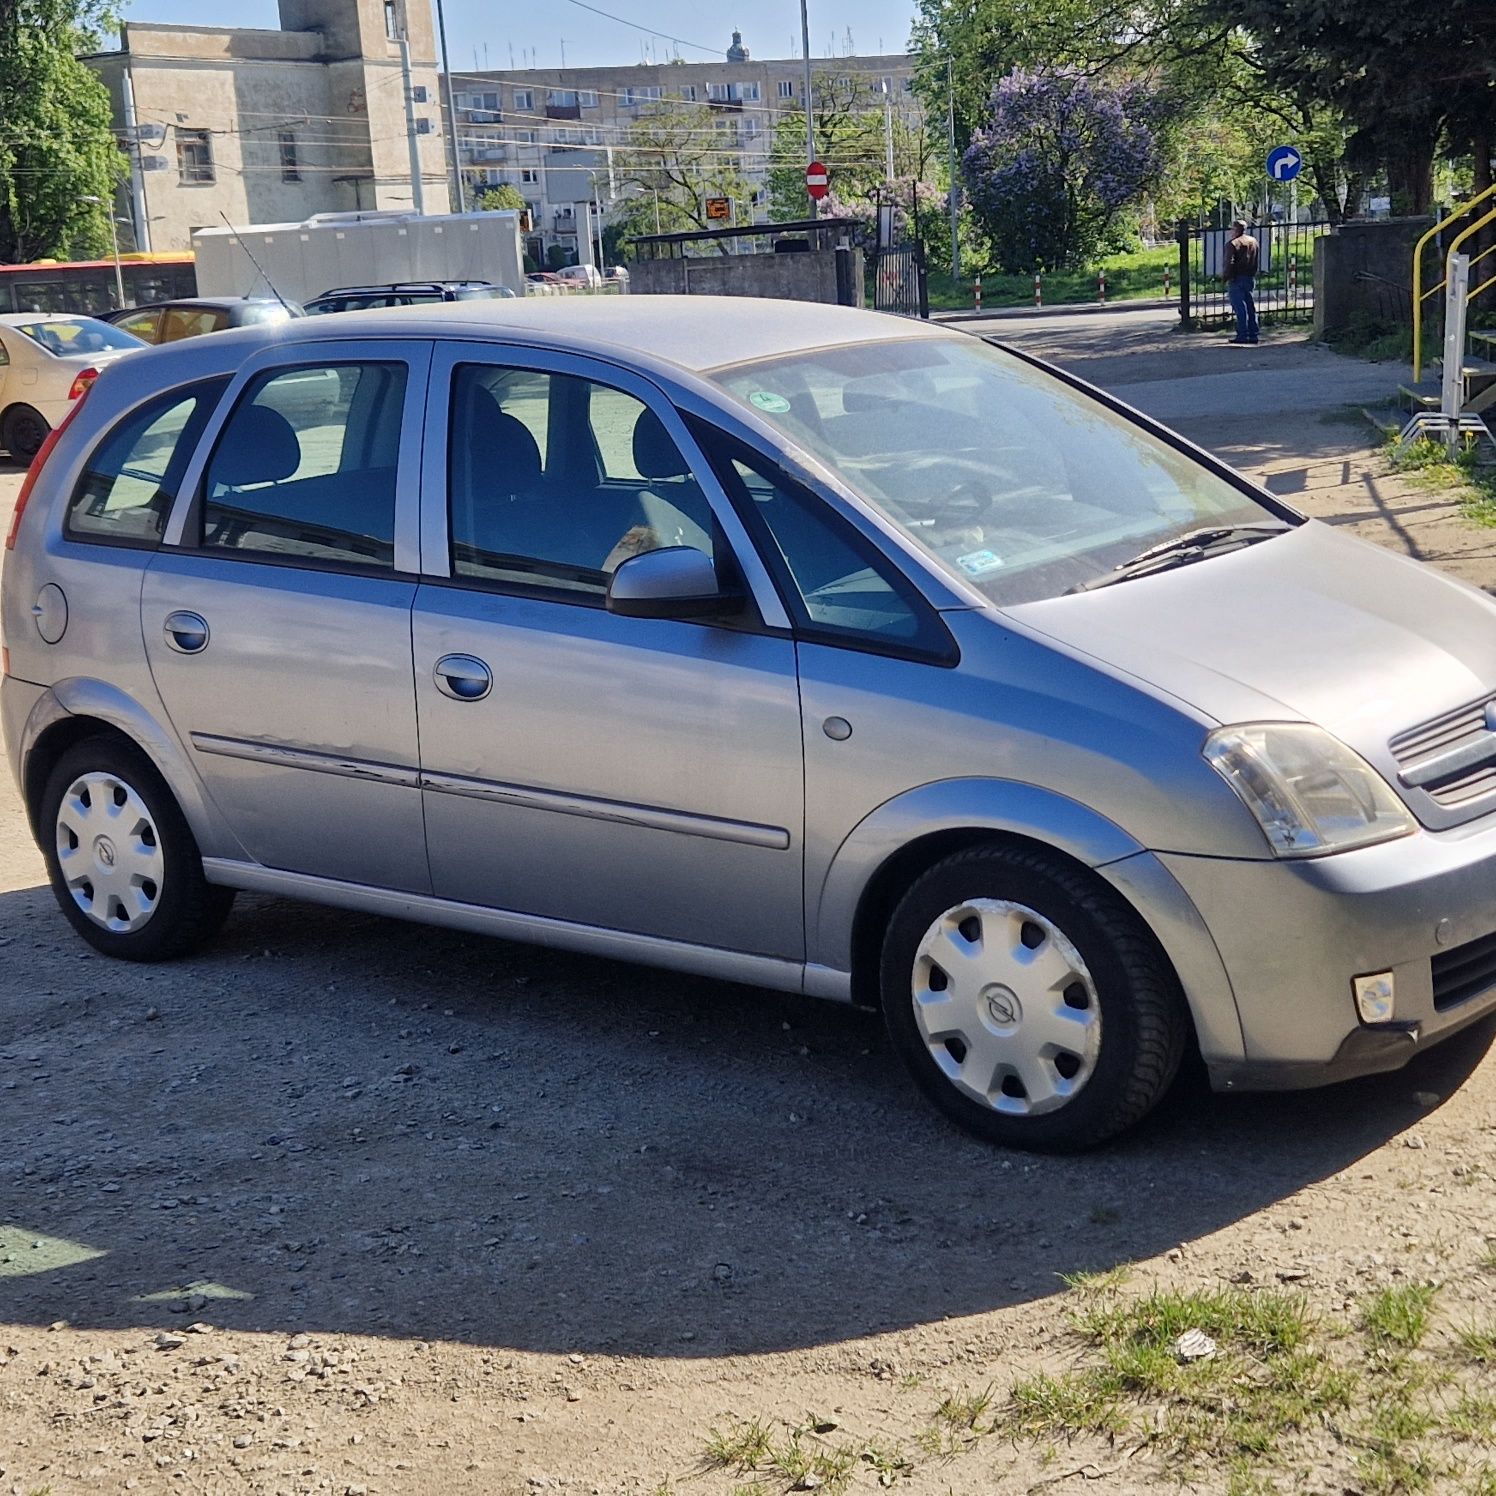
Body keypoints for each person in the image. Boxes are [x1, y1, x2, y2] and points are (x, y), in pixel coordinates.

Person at [1223, 218, 1260, 345]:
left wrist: (1226, 276)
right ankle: (1253, 334)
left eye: (1232, 228)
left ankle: (1242, 334)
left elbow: (1229, 262)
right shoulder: (1253, 241)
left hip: (1236, 278)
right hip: (1250, 277)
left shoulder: (1232, 244)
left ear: (1235, 229)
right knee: (1250, 306)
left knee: (1239, 307)